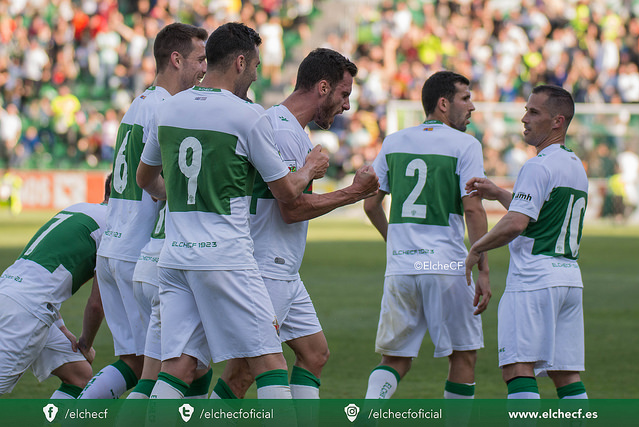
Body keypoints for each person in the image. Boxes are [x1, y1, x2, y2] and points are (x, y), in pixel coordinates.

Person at [147, 22, 329, 400]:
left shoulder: (169, 107)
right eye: (256, 66)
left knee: (177, 366)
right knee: (270, 364)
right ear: (240, 62)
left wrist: (180, 198)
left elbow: (145, 178)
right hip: (225, 257)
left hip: (175, 256)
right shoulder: (247, 116)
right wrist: (310, 168)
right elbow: (286, 192)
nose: (257, 75)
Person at [210, 48, 379, 400]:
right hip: (266, 267)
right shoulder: (285, 132)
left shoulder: (281, 124)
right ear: (322, 87)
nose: (346, 105)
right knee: (242, 376)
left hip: (282, 268)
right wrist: (354, 193)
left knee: (315, 354)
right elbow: (292, 208)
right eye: (344, 94)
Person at [80, 23, 208, 399]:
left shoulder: (138, 104)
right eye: (200, 59)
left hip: (113, 245)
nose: (204, 68)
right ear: (176, 58)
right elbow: (167, 184)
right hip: (139, 248)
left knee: (138, 364)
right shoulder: (168, 109)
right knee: (173, 364)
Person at [363, 71, 490, 400]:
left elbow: (370, 205)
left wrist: (395, 242)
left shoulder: (394, 141)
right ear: (444, 103)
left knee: (394, 359)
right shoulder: (465, 145)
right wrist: (484, 270)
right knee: (463, 355)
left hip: (401, 268)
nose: (472, 106)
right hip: (447, 267)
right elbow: (474, 210)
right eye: (466, 98)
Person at [465, 85, 589, 399]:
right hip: (569, 280)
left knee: (518, 367)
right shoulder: (574, 165)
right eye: (526, 110)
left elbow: (517, 224)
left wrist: (477, 247)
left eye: (534, 112)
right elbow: (538, 212)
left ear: (557, 121)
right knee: (565, 373)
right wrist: (500, 194)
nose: (524, 118)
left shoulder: (537, 165)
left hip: (534, 278)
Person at [0, 175, 109, 398]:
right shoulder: (115, 229)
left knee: (80, 374)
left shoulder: (80, 208)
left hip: (10, 289)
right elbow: (97, 304)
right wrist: (86, 344)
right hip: (29, 309)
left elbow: (44, 269)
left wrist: (61, 328)